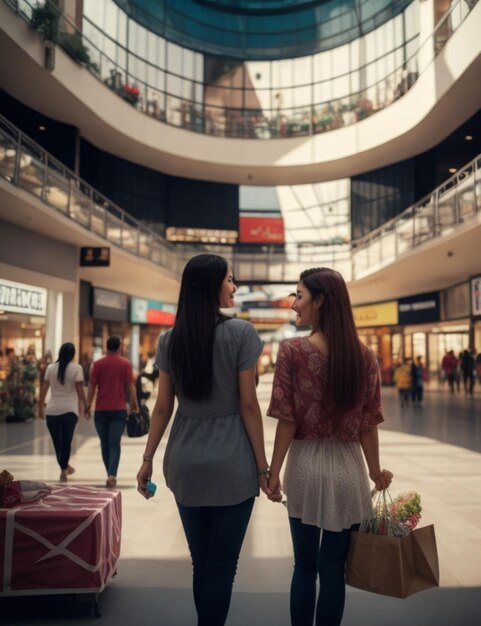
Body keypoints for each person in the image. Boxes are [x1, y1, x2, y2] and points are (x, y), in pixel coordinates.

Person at [136, 254, 269, 626]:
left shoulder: (169, 340)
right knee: (222, 567)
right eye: (230, 279)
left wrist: (147, 458)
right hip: (232, 462)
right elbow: (248, 405)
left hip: (184, 459)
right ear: (213, 286)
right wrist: (263, 468)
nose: (234, 286)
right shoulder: (241, 333)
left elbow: (162, 407)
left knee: (201, 562)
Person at [265, 267, 392, 626]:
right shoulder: (365, 357)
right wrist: (374, 471)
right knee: (334, 570)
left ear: (320, 300)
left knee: (304, 566)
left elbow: (287, 418)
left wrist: (273, 472)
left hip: (305, 466)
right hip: (349, 470)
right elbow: (369, 422)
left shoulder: (292, 352)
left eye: (299, 296)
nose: (294, 305)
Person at [87, 336, 139, 488]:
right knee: (114, 443)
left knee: (105, 444)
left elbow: (92, 386)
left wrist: (88, 405)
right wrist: (135, 406)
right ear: (119, 347)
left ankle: (109, 474)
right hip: (118, 410)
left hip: (100, 410)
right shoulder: (125, 364)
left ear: (106, 347)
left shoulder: (97, 364)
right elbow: (131, 386)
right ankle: (112, 474)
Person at [37, 343, 89, 481]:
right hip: (70, 411)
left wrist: (40, 407)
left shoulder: (50, 368)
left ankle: (64, 468)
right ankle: (64, 468)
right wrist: (86, 406)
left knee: (57, 444)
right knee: (66, 442)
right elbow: (79, 390)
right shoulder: (76, 368)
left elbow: (44, 388)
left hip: (52, 411)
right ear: (73, 354)